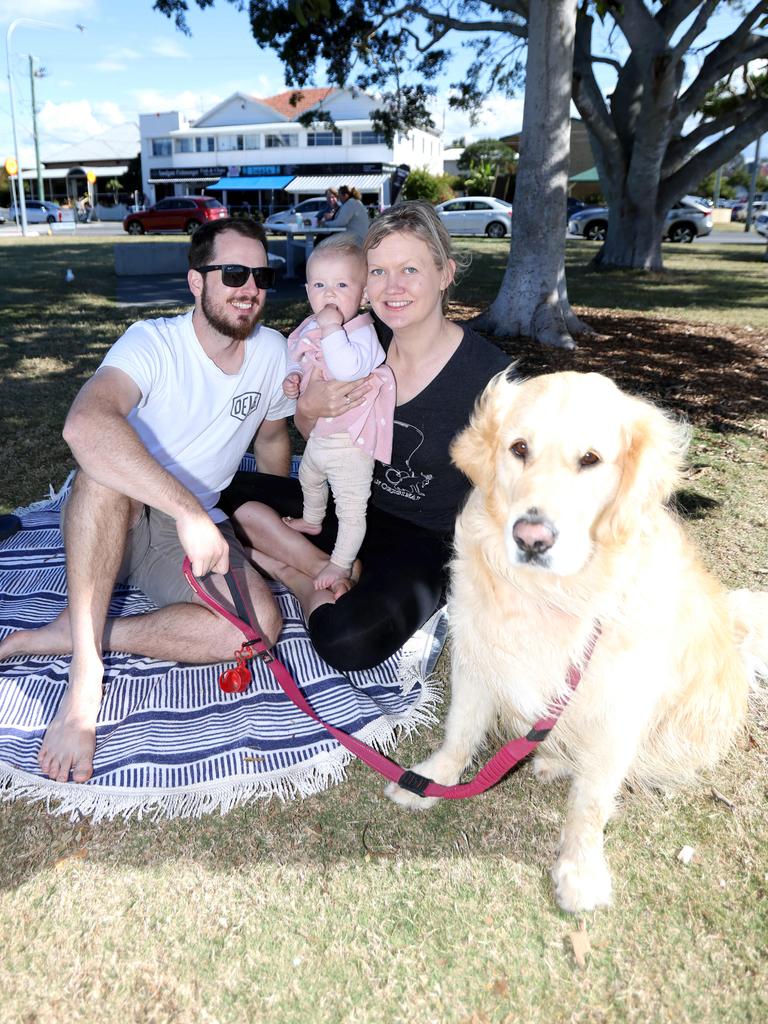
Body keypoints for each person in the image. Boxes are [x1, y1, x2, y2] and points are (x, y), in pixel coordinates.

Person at [0, 217, 295, 785]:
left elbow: (274, 437)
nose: (250, 287)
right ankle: (85, 678)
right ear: (196, 281)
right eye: (233, 272)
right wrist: (187, 510)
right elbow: (85, 424)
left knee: (256, 628)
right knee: (100, 472)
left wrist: (275, 518)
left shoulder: (273, 352)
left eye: (261, 274)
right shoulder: (152, 341)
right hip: (121, 514)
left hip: (187, 530)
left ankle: (78, 632)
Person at [219, 201, 511, 672]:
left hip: (421, 539)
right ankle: (324, 568)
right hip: (341, 502)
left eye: (410, 269)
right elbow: (313, 431)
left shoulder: (490, 377)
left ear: (445, 273)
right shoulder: (355, 338)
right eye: (378, 271)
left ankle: (292, 572)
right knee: (215, 491)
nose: (392, 288)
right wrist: (308, 408)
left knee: (349, 640)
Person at [278, 233, 396, 592]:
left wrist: (330, 329)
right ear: (307, 290)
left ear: (362, 295)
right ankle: (313, 521)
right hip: (320, 438)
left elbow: (345, 369)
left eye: (341, 285)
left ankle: (340, 563)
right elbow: (295, 354)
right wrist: (293, 378)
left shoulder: (362, 334)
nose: (328, 294)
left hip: (350, 444)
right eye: (319, 285)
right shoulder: (311, 328)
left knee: (350, 509)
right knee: (308, 479)